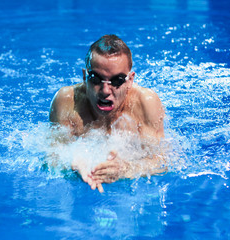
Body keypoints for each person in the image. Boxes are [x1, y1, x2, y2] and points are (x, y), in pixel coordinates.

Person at [49, 34, 166, 192]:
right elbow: (50, 156)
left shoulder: (145, 103)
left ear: (130, 80)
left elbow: (164, 160)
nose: (105, 91)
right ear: (85, 77)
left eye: (117, 80)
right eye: (96, 79)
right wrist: (71, 163)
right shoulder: (67, 101)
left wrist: (125, 169)